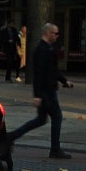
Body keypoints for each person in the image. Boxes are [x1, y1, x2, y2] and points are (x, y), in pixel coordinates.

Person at [7, 23, 74, 159]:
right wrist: (37, 95)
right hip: (46, 92)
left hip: (47, 91)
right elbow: (39, 74)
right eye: (55, 33)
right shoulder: (42, 50)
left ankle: (11, 136)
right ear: (48, 33)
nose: (57, 36)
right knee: (57, 117)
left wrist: (64, 81)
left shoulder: (47, 48)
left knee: (40, 120)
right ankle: (55, 150)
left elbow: (52, 71)